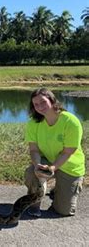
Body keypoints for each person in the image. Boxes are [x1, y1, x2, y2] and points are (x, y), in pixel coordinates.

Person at [24, 88, 85, 217]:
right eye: (36, 104)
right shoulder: (33, 123)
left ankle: (56, 191)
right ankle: (34, 204)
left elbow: (68, 152)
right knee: (31, 173)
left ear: (52, 101)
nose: (40, 106)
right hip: (47, 160)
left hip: (69, 165)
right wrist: (37, 166)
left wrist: (52, 168)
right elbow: (34, 150)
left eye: (43, 102)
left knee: (64, 211)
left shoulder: (70, 121)